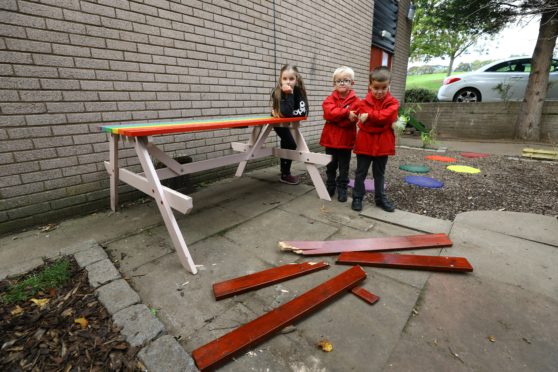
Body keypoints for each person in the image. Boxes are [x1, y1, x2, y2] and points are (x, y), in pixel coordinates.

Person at [351, 66, 400, 212]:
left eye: (383, 88)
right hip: (365, 143)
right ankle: (357, 197)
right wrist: (382, 122)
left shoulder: (393, 103)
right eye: (376, 88)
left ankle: (380, 199)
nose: (379, 91)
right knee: (361, 172)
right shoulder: (362, 103)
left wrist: (371, 117)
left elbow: (386, 116)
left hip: (382, 144)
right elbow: (374, 121)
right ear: (370, 86)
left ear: (388, 86)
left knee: (379, 173)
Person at [319, 66, 360, 202]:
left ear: (352, 83)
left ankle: (342, 187)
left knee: (344, 167)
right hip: (330, 140)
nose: (342, 83)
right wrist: (345, 113)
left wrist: (336, 118)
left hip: (345, 141)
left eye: (346, 80)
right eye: (339, 81)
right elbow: (328, 113)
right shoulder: (329, 99)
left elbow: (349, 122)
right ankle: (330, 185)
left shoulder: (356, 101)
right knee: (330, 166)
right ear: (334, 83)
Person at [271, 64, 309, 185]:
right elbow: (286, 112)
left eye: (291, 79)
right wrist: (288, 95)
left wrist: (291, 95)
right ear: (280, 79)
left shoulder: (299, 91)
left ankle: (284, 171)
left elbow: (304, 112)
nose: (288, 82)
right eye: (285, 79)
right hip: (278, 123)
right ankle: (286, 174)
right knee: (291, 144)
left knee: (287, 143)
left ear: (296, 79)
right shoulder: (277, 92)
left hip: (289, 122)